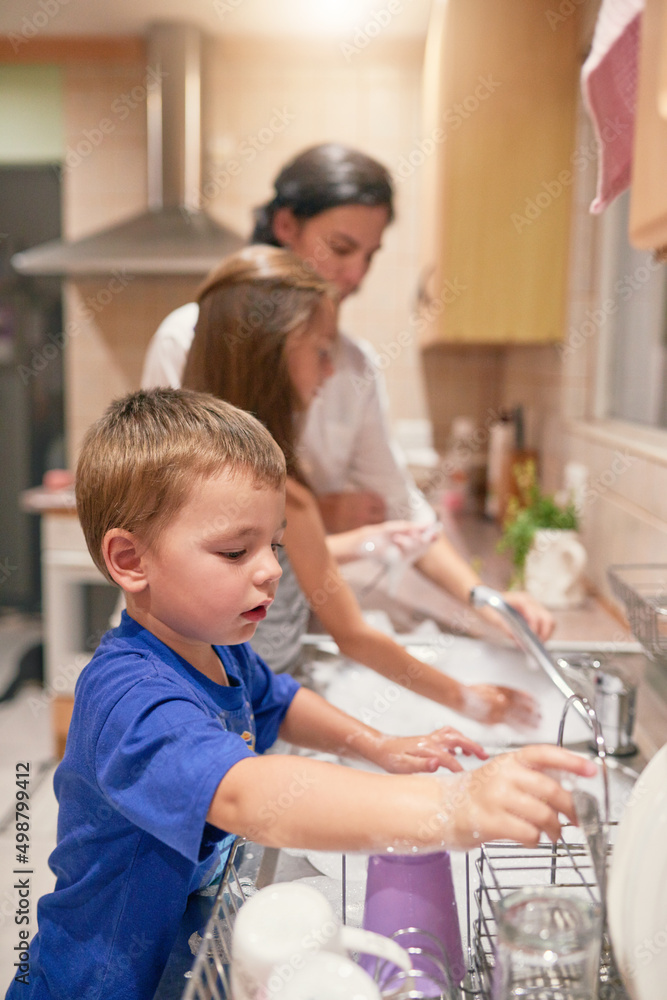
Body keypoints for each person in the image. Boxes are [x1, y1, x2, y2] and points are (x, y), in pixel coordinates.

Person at [8, 387, 596, 1000]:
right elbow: (242, 795)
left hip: (176, 960)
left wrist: (381, 745)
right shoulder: (130, 701)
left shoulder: (215, 645)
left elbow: (279, 700)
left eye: (274, 544)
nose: (270, 570)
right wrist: (452, 803)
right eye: (236, 550)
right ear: (131, 560)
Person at [141, 142, 555, 642]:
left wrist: (484, 598)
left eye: (370, 255)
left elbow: (401, 509)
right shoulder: (186, 341)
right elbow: (172, 519)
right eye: (341, 248)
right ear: (287, 226)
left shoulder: (354, 366)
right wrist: (321, 518)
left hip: (293, 626)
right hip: (194, 637)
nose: (356, 275)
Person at [182, 244, 537, 730]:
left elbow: (277, 558)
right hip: (239, 723)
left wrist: (369, 542)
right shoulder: (283, 490)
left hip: (207, 714)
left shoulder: (181, 471)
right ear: (271, 353)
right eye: (322, 351)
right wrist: (470, 700)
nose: (331, 370)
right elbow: (355, 635)